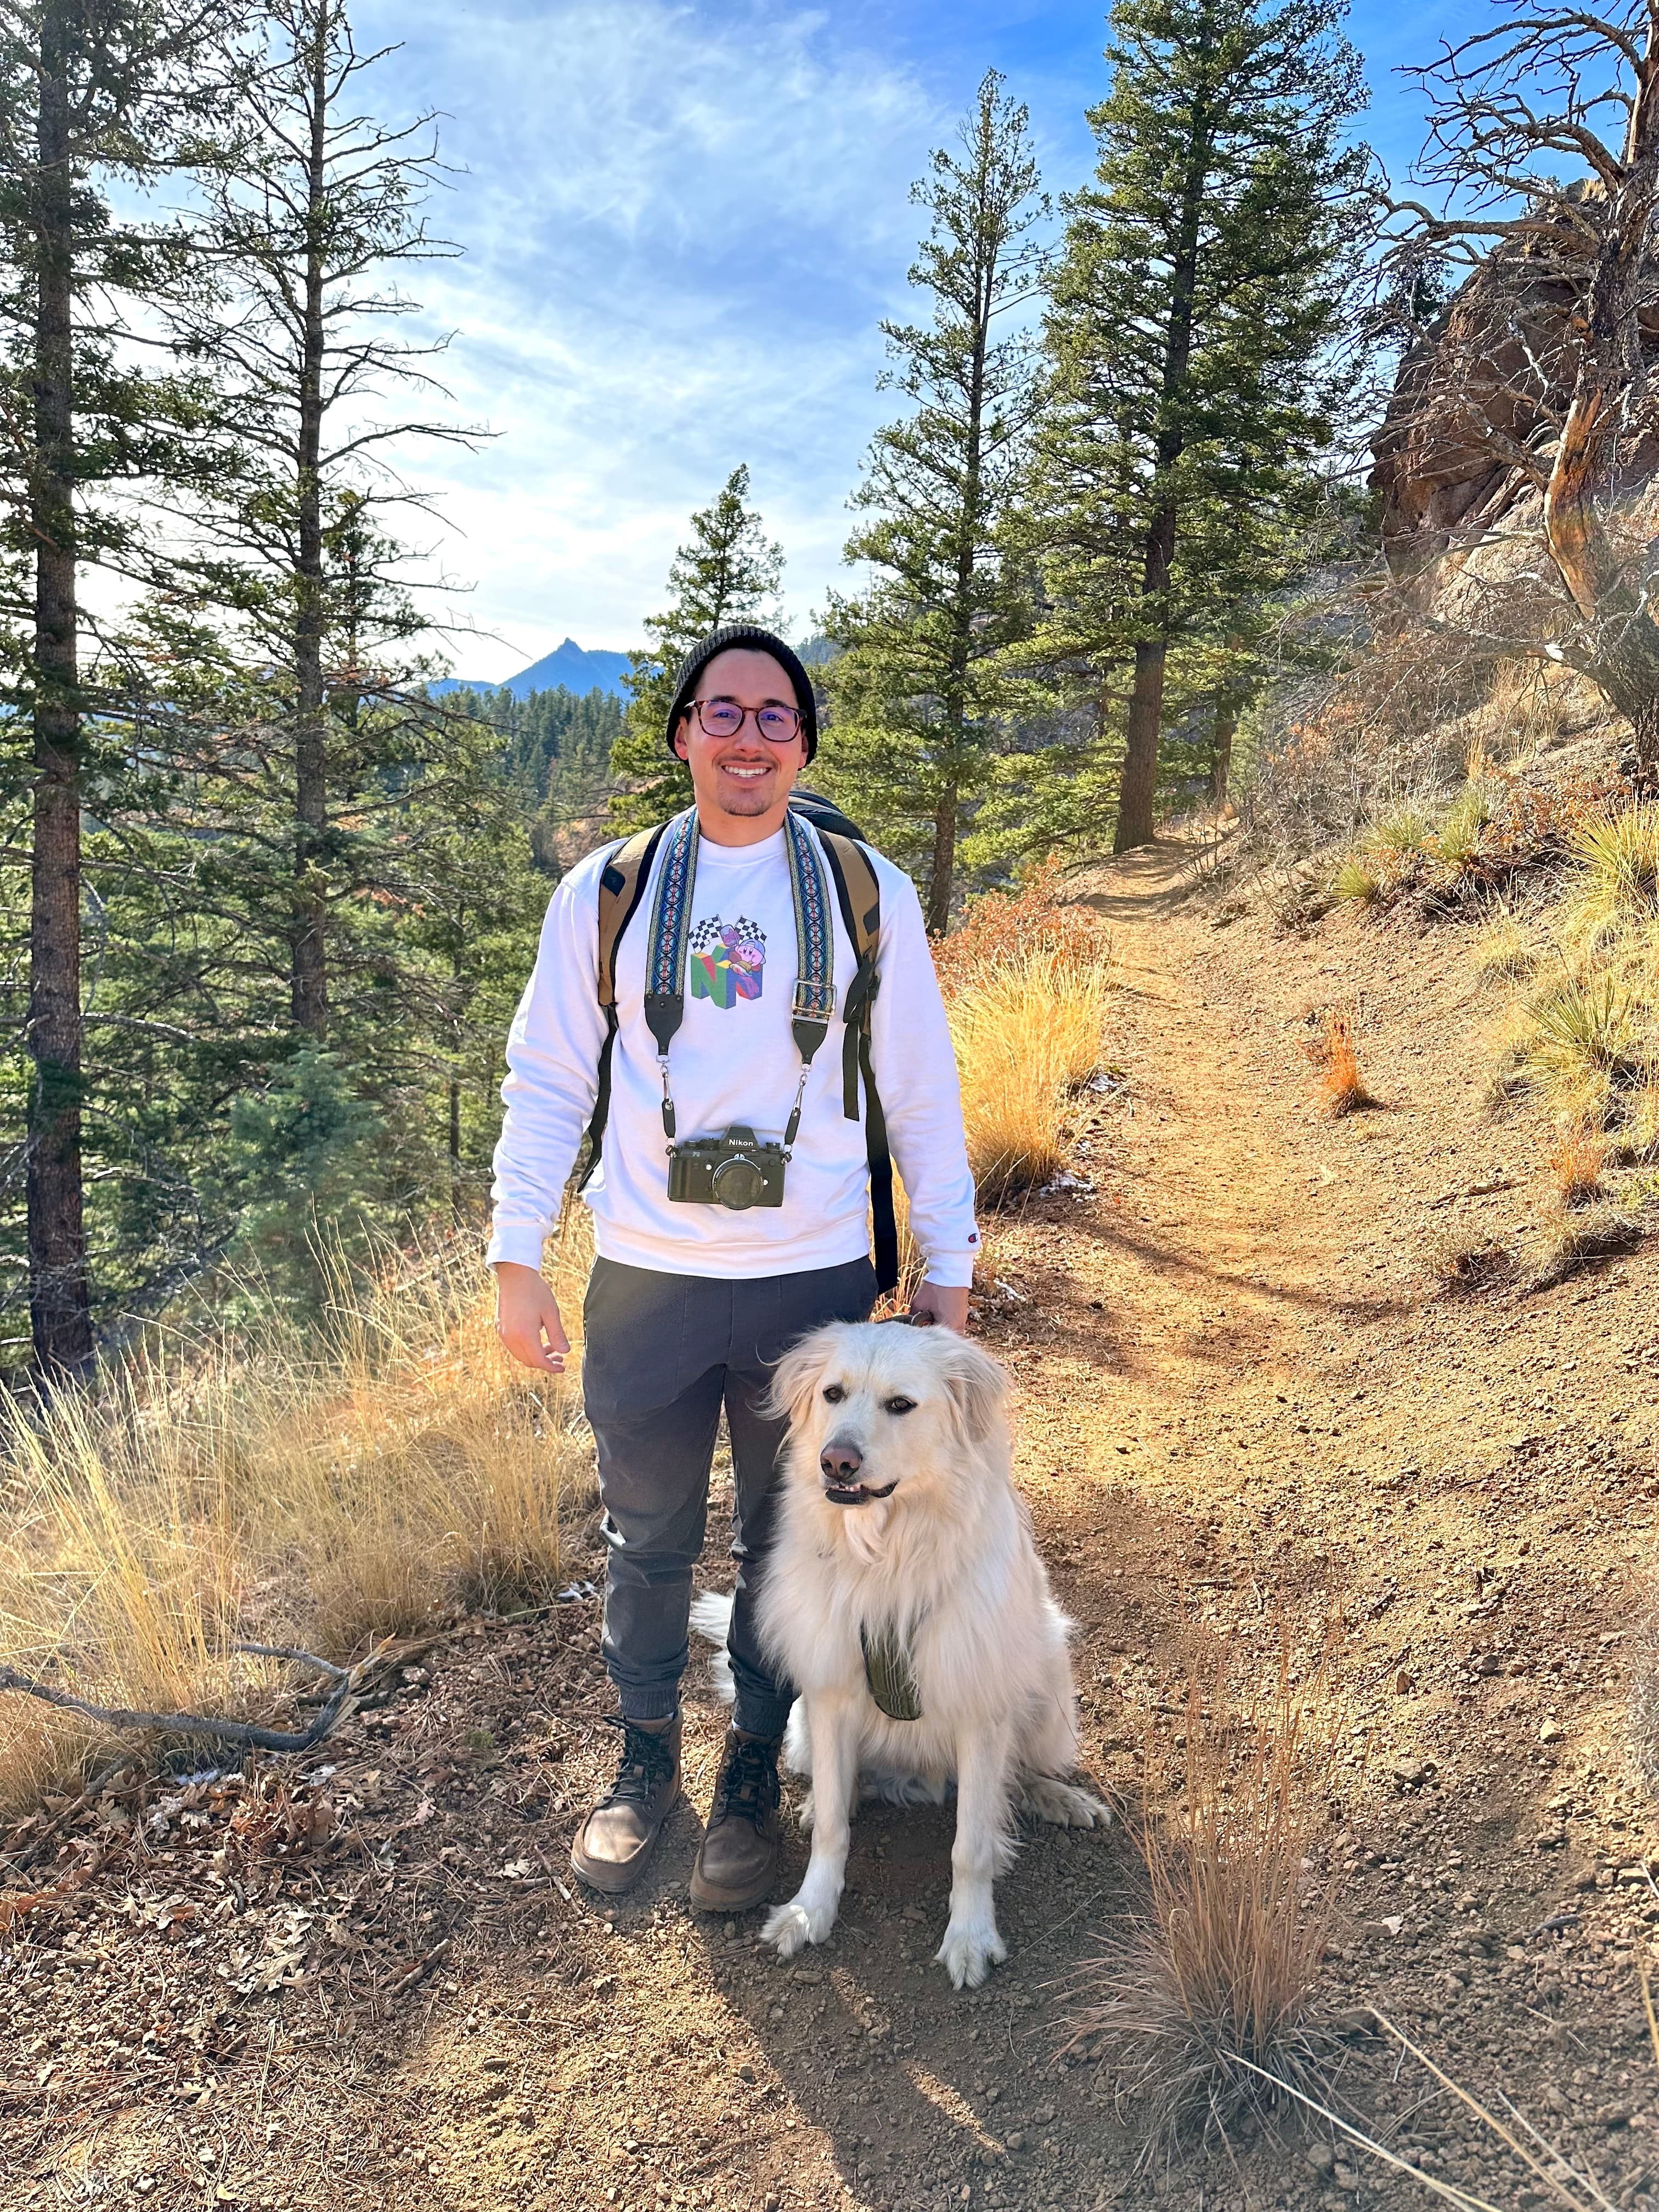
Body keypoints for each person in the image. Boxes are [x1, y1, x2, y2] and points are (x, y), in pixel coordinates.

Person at [489, 623, 978, 1911]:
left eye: (774, 716)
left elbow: (920, 1087)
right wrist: (515, 1252)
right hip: (644, 1275)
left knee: (788, 1547)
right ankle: (644, 1760)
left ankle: (753, 1777)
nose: (748, 737)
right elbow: (545, 1077)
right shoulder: (612, 891)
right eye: (723, 712)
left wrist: (951, 1256)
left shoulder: (863, 892)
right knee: (645, 1538)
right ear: (682, 735)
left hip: (809, 1280)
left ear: (804, 741)